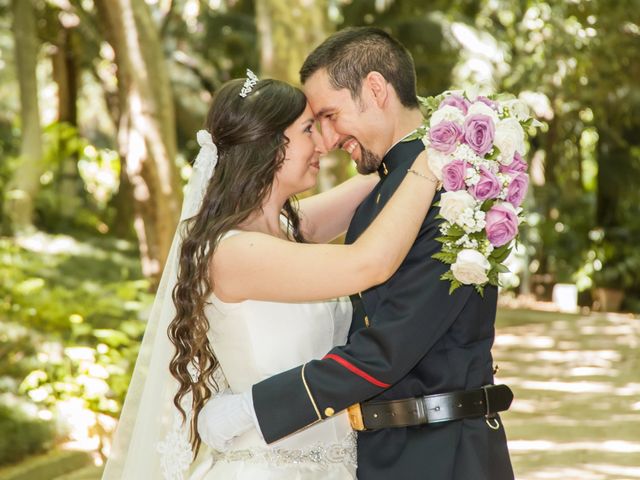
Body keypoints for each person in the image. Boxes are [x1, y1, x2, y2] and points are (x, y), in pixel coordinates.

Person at [202, 27, 515, 480]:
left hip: (441, 454)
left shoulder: (452, 191)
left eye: (328, 116)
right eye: (312, 127)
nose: (326, 141)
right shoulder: (384, 194)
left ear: (374, 89)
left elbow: (390, 335)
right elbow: (359, 248)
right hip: (370, 453)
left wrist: (450, 153)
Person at [101, 72, 438, 480]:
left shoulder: (285, 228)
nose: (323, 144)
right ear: (270, 144)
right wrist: (432, 163)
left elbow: (376, 181)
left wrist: (427, 131)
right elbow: (370, 263)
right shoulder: (233, 253)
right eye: (309, 129)